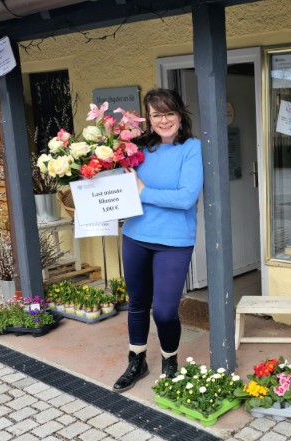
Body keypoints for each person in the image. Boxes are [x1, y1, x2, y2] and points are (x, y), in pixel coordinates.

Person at [112, 88, 203, 392]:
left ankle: (169, 361)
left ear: (180, 115)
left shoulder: (191, 148)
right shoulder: (138, 150)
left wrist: (143, 191)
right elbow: (121, 186)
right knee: (137, 303)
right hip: (135, 236)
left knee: (164, 310)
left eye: (169, 113)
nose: (164, 120)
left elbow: (186, 198)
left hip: (174, 242)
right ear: (148, 119)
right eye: (157, 115)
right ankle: (137, 361)